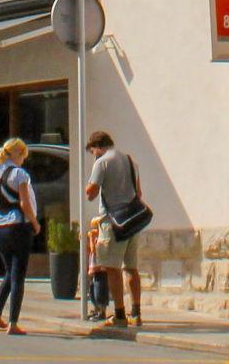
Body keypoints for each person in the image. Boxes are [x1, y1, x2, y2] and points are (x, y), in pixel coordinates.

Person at [83, 130, 143, 327]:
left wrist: (89, 184)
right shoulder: (129, 160)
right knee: (132, 268)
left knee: (112, 267)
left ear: (97, 147)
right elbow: (138, 192)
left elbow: (91, 193)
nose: (94, 155)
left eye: (93, 151)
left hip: (112, 221)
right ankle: (136, 311)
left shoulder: (102, 162)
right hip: (132, 219)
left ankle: (119, 314)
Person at [0, 137, 39, 335]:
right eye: (23, 156)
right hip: (18, 225)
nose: (23, 160)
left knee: (8, 271)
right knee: (18, 275)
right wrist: (35, 222)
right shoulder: (19, 174)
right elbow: (24, 203)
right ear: (17, 154)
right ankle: (13, 322)